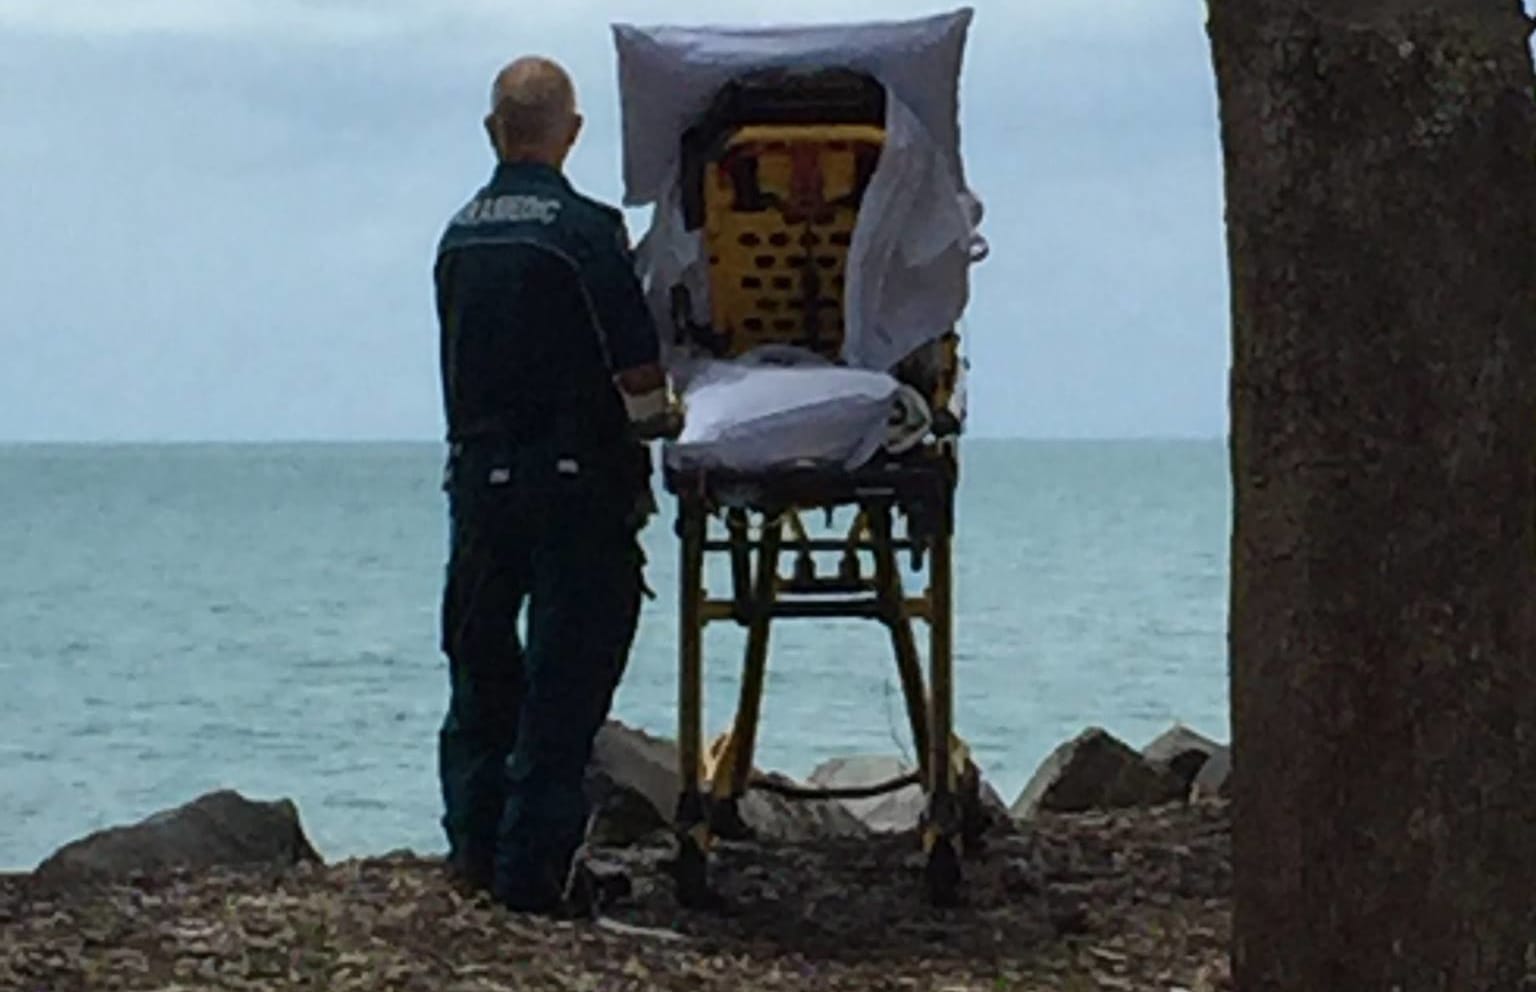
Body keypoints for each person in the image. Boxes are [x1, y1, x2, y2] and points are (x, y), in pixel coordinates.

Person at [433, 55, 678, 914]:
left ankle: (473, 844)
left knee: (480, 667)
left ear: (494, 131)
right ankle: (536, 869)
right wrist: (665, 426)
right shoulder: (582, 233)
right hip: (575, 489)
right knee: (564, 679)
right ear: (571, 134)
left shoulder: (458, 237)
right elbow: (637, 366)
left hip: (478, 484)